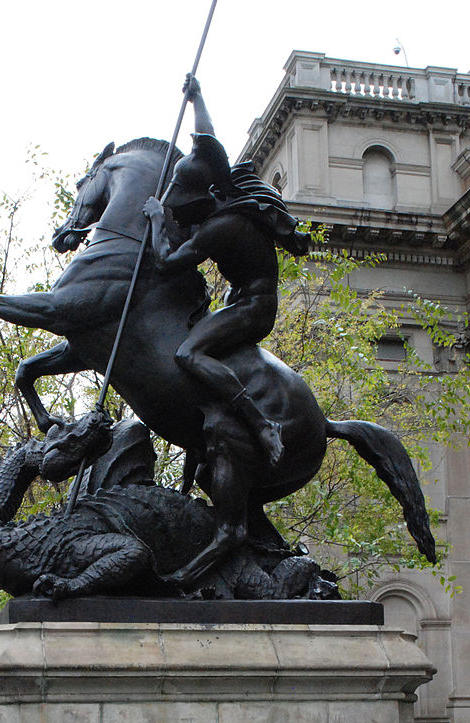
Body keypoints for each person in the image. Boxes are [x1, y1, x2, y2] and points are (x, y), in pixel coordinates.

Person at [143, 74, 308, 470]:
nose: (174, 209)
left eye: (179, 204)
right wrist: (197, 97)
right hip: (242, 300)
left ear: (197, 200)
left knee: (188, 353)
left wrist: (153, 220)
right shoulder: (222, 190)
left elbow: (166, 262)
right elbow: (208, 135)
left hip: (254, 308)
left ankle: (259, 421)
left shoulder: (222, 227)